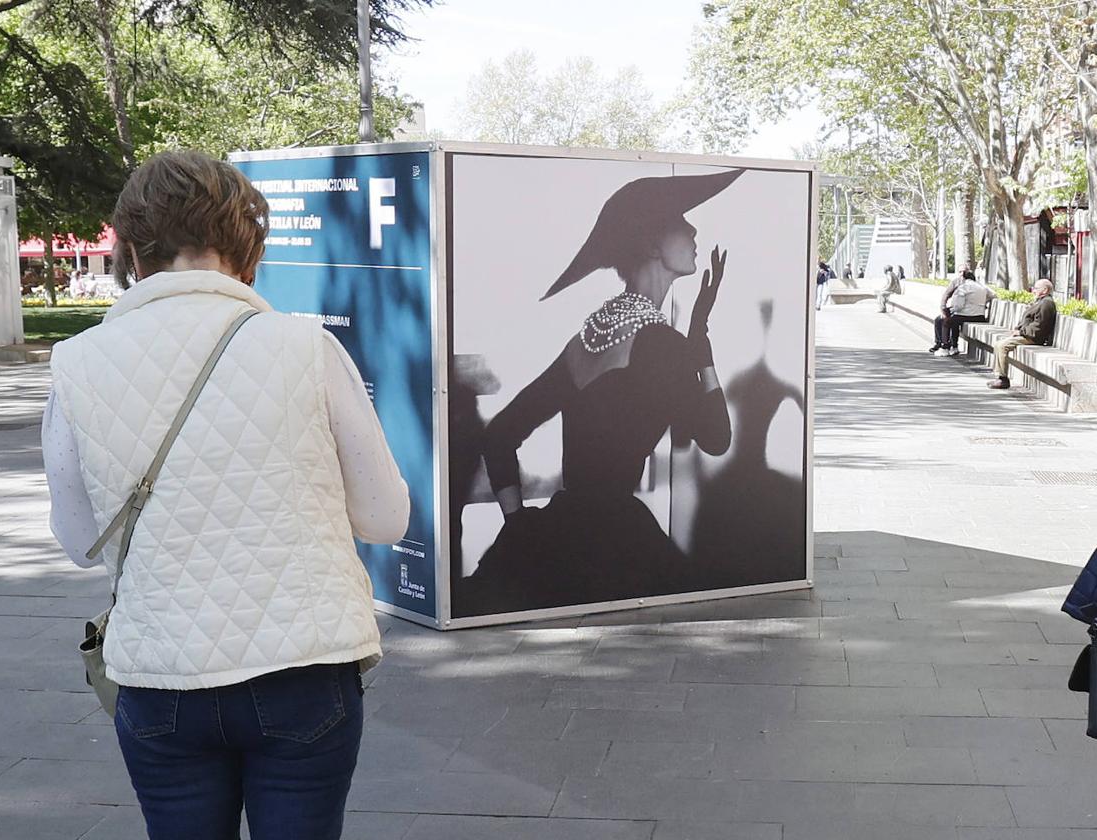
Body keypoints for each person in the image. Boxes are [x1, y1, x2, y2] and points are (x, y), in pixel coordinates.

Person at [41, 150, 409, 840]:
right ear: (247, 245)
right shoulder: (304, 346)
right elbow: (386, 518)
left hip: (160, 675)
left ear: (130, 251)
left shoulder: (78, 363)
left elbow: (77, 539)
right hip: (304, 668)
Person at [454, 170, 740, 616]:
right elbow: (717, 438)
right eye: (679, 221)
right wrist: (700, 343)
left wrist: (520, 529)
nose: (693, 229)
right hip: (616, 546)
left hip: (559, 531)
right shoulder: (662, 345)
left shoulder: (592, 332)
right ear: (649, 246)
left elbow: (501, 435)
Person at [987, 278, 1057, 390]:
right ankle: (999, 375)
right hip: (1027, 335)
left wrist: (1020, 332)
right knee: (998, 343)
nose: (1033, 290)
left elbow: (1039, 326)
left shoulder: (1046, 303)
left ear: (1045, 290)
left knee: (1002, 346)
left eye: (1036, 288)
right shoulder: (1041, 301)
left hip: (1033, 338)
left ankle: (1003, 378)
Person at [930, 268, 990, 355]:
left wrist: (950, 310)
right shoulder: (982, 287)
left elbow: (958, 306)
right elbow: (993, 295)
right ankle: (954, 346)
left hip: (966, 316)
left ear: (964, 278)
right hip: (980, 317)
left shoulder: (963, 288)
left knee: (948, 321)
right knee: (954, 320)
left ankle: (945, 347)